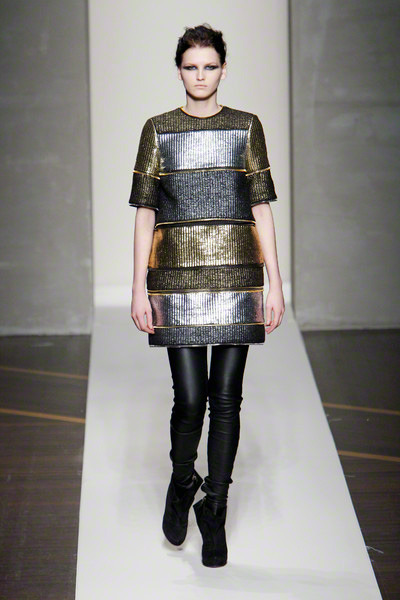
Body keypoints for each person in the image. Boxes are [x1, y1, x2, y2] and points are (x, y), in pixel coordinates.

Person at [129, 24, 285, 568]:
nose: (200, 75)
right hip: (175, 281)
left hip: (238, 278)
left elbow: (261, 205)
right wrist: (138, 286)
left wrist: (275, 282)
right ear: (179, 70)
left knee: (227, 398)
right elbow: (145, 212)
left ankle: (214, 506)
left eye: (209, 66)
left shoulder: (246, 126)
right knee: (190, 399)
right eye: (191, 67)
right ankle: (182, 484)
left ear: (223, 68)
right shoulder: (158, 130)